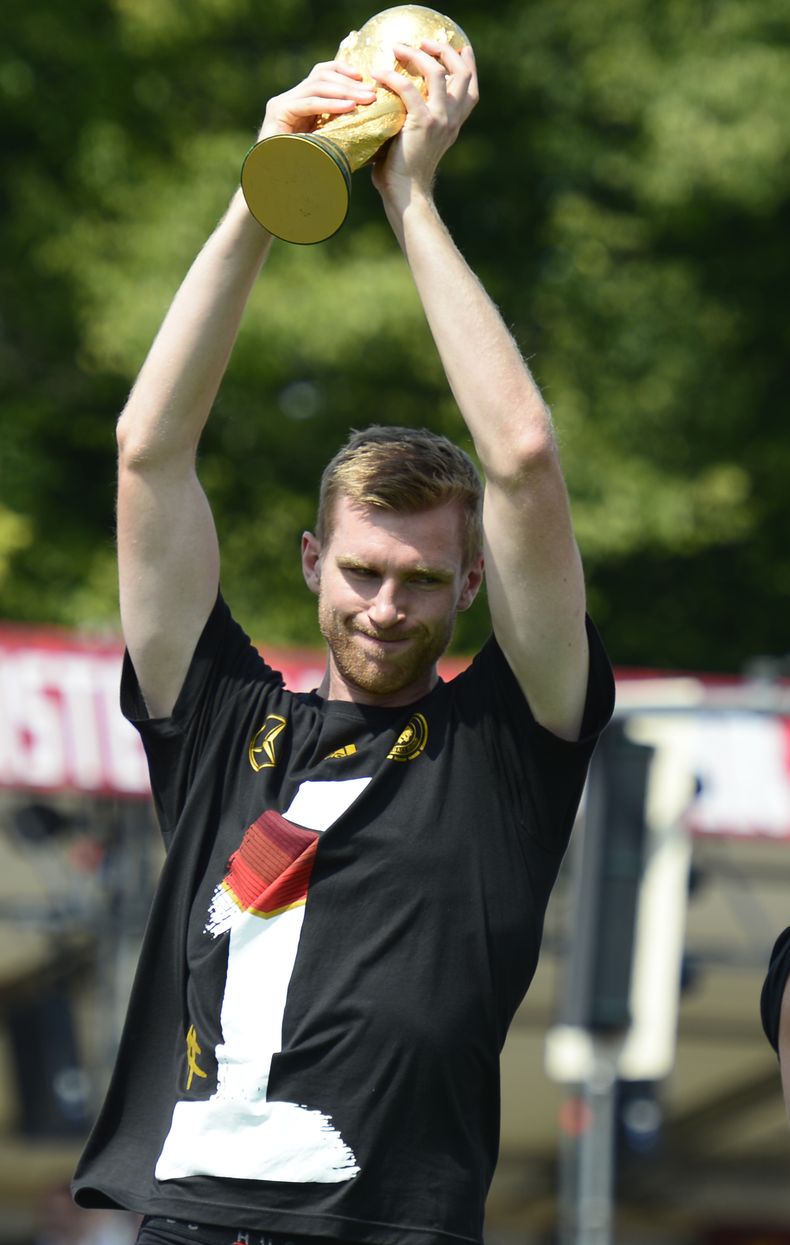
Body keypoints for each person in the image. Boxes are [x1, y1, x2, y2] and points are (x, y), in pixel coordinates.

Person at [72, 36, 614, 1245]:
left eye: (425, 580)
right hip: (184, 1224)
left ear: (472, 584)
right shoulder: (221, 724)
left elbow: (521, 456)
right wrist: (267, 189)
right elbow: (148, 452)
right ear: (314, 566)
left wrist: (409, 197)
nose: (387, 605)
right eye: (363, 572)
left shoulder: (507, 749)